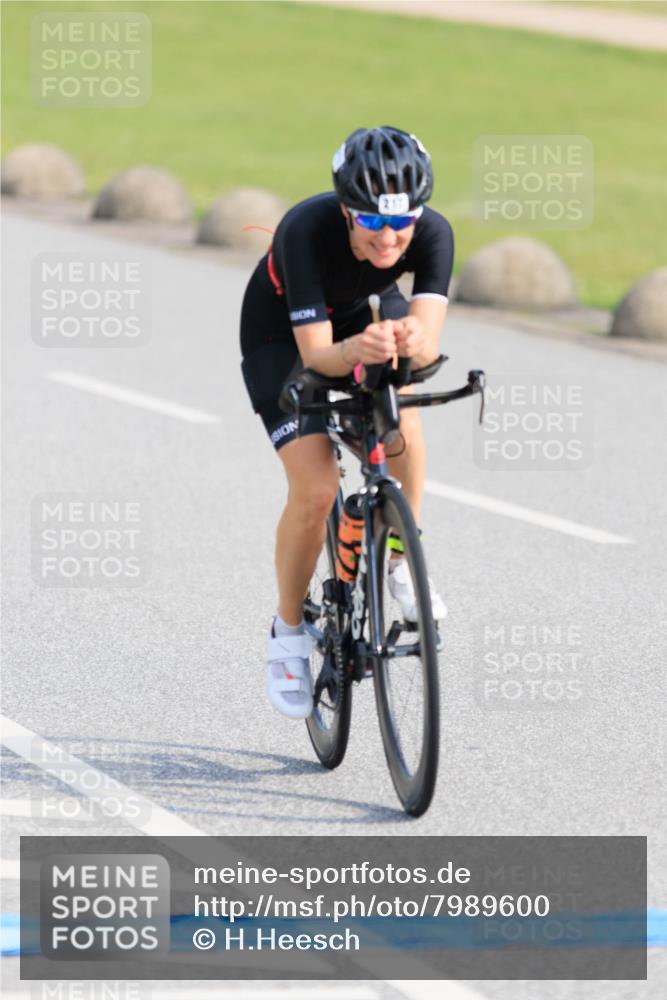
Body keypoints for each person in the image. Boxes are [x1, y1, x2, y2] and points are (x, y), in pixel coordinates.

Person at [239, 125, 454, 719]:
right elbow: (316, 357)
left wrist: (410, 343)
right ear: (346, 211)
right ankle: (287, 634)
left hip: (362, 320)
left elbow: (427, 346)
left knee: (404, 430)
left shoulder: (433, 235)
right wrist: (362, 347)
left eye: (402, 223)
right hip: (283, 340)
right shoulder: (305, 231)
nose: (390, 239)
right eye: (374, 224)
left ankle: (399, 562)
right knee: (316, 489)